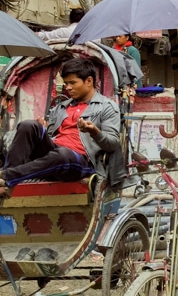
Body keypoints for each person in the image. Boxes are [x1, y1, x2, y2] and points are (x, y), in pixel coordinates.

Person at [0, 57, 128, 195]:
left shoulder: (107, 107)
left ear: (89, 81)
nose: (68, 88)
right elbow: (50, 139)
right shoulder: (61, 108)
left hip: (81, 160)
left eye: (72, 83)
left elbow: (113, 144)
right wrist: (43, 128)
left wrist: (94, 131)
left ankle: (6, 176)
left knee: (62, 154)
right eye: (66, 83)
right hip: (55, 153)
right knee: (28, 125)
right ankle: (6, 184)